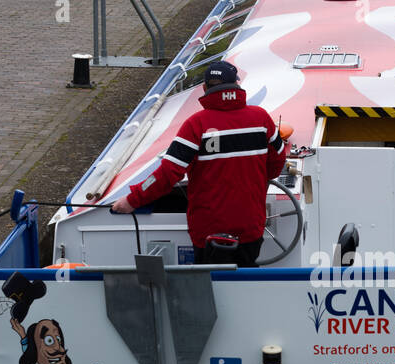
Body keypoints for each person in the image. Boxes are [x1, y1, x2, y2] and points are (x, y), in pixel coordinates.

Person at [111, 61, 290, 267]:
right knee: (245, 281)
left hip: (208, 231)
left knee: (210, 284)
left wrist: (132, 200)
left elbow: (168, 174)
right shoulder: (261, 119)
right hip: (251, 227)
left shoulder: (195, 125)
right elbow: (277, 163)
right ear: (237, 86)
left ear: (205, 88)